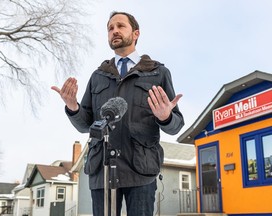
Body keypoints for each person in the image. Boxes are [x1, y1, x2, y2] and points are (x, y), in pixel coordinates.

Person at [52, 11, 184, 216]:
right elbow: (85, 124)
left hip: (140, 170)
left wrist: (165, 116)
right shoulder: (98, 76)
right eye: (110, 28)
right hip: (102, 171)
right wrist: (72, 107)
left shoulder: (157, 73)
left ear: (136, 33)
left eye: (120, 26)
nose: (114, 31)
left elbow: (176, 125)